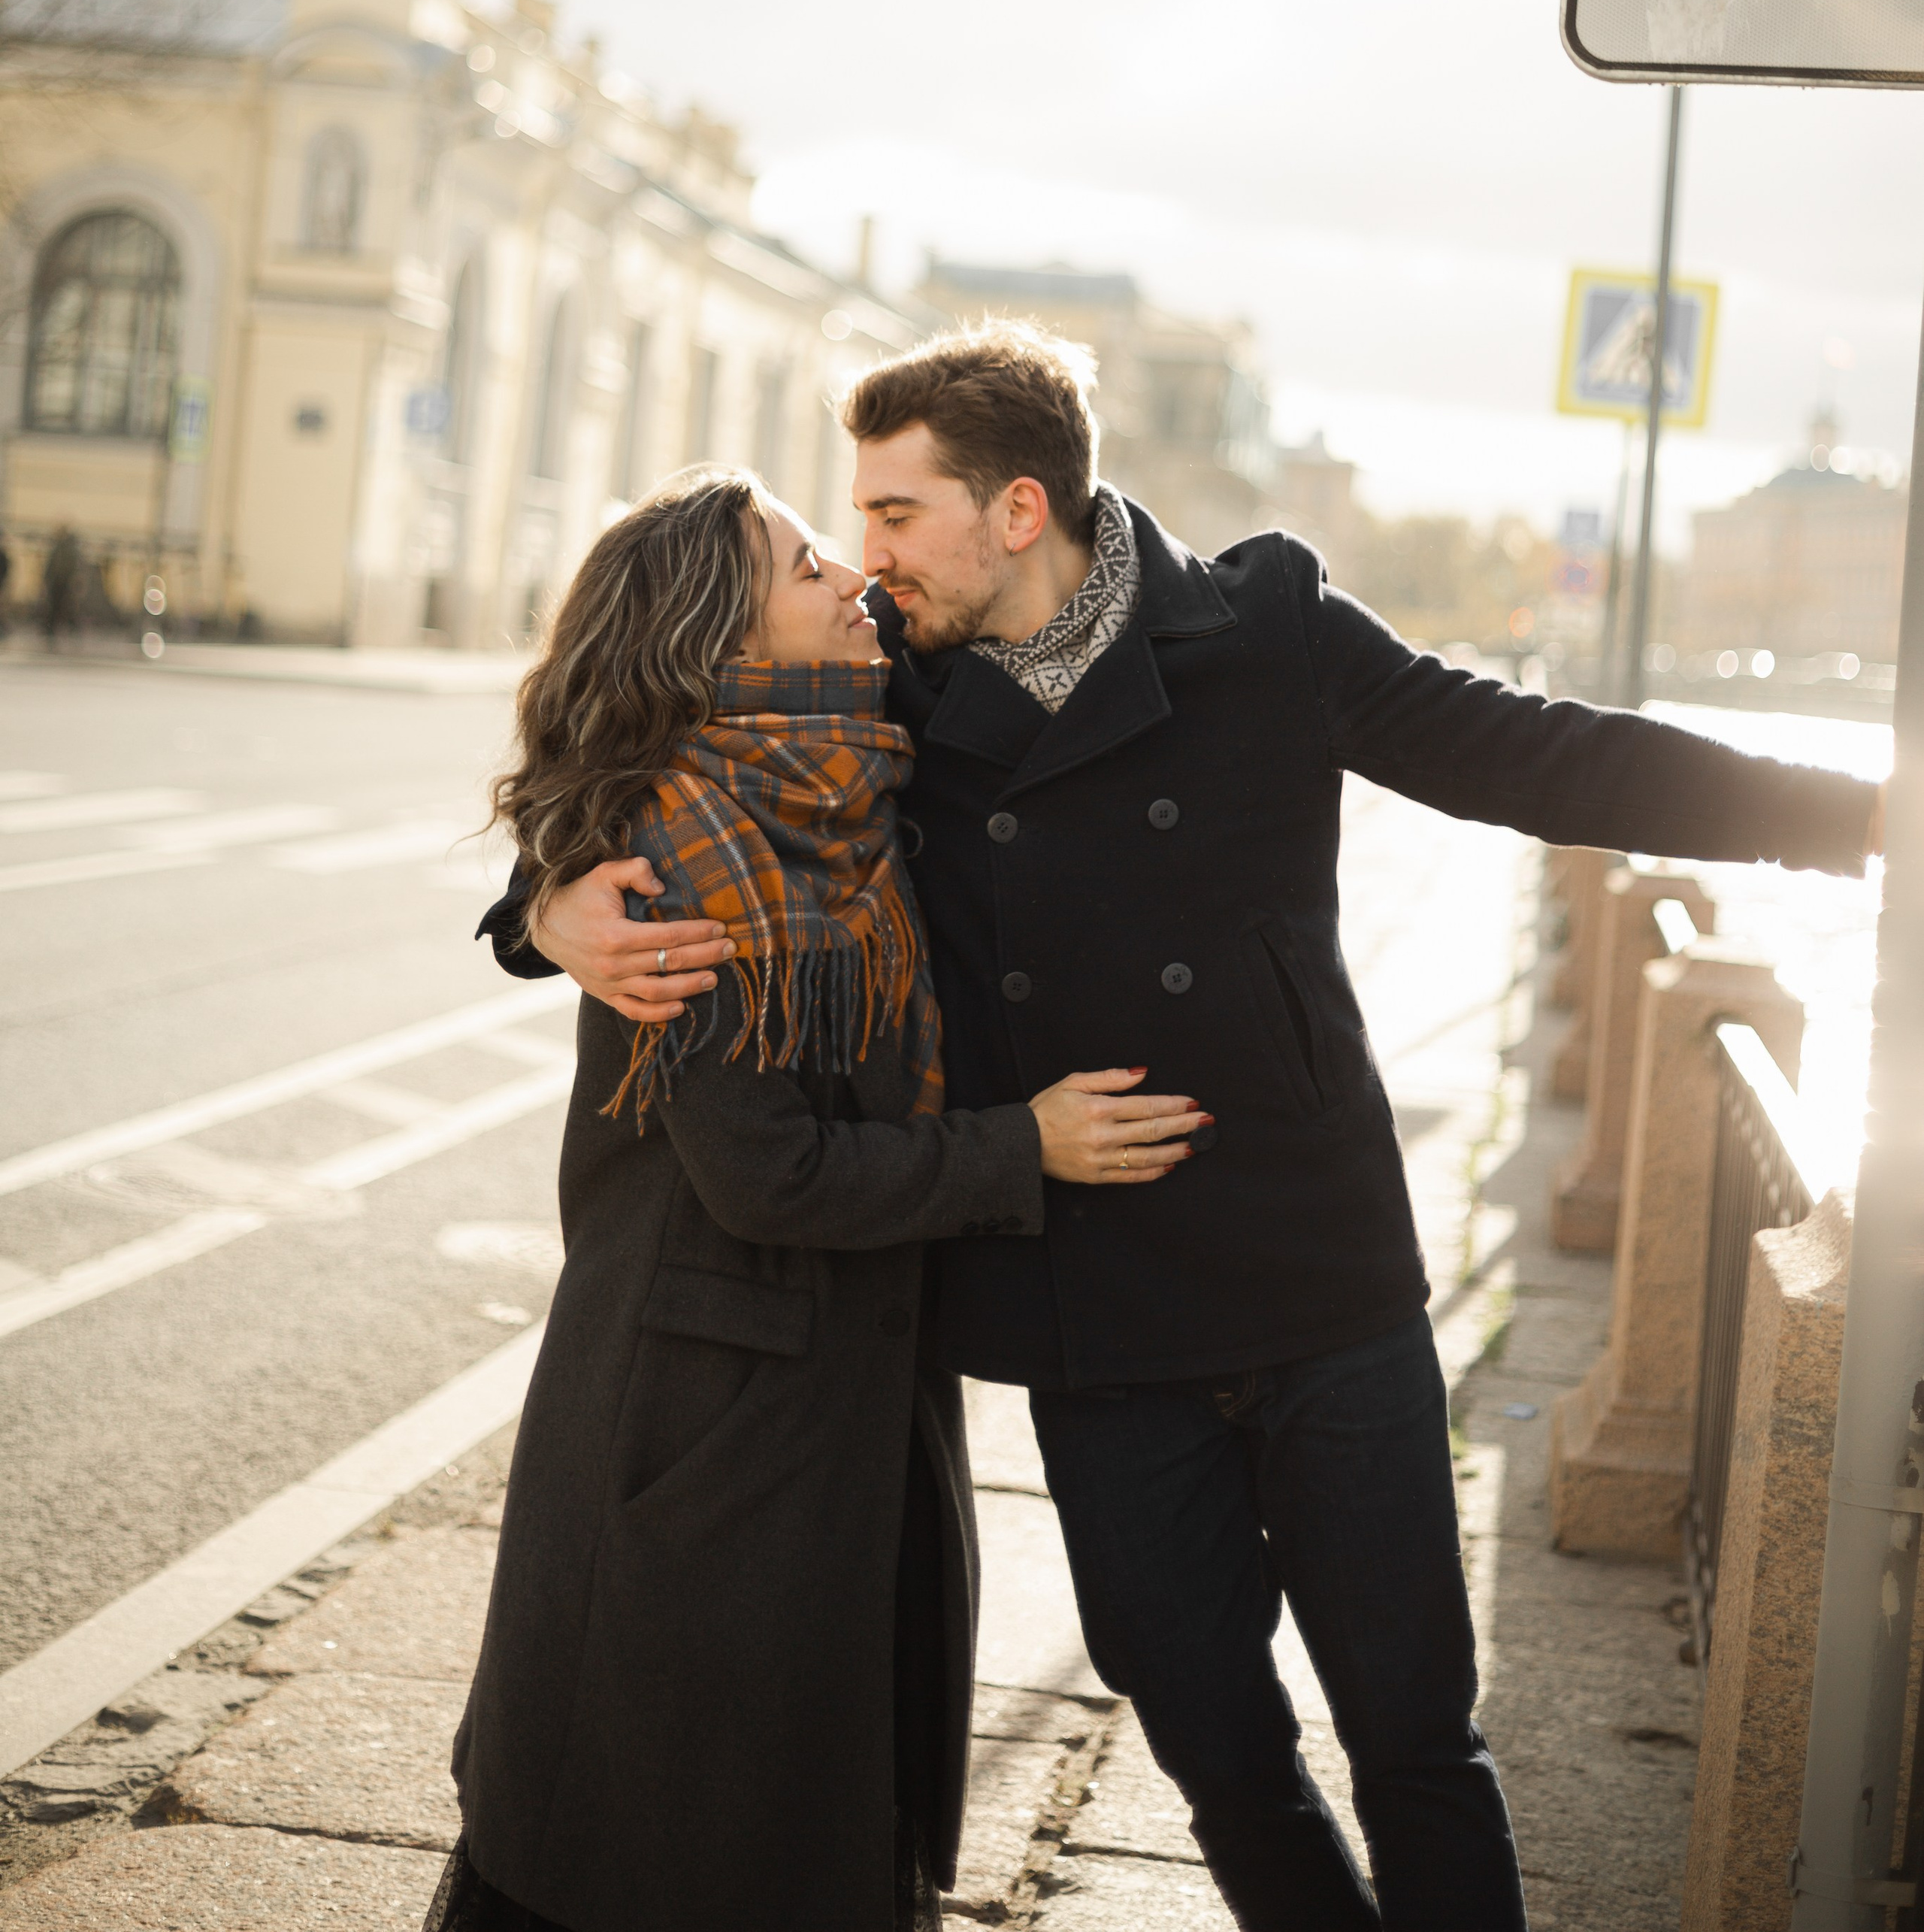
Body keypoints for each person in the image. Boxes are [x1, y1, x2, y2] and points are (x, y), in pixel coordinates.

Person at [501, 324, 1884, 1932]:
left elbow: (1532, 754)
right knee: (1219, 1753)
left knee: (1417, 1745)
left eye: (891, 513)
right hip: (1099, 1319)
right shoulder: (899, 686)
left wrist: (1852, 817)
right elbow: (668, 752)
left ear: (1017, 510)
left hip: (1319, 1282)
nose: (863, 556)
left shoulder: (1266, 628)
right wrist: (545, 910)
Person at [440, 465, 1205, 1932]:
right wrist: (1018, 1149)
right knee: (631, 1850)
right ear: (722, 649)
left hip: (830, 1419)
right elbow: (765, 1171)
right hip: (705, 1442)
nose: (852, 574)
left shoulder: (850, 775)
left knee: (794, 1835)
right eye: (804, 565)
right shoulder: (686, 862)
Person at [38, 525, 80, 650]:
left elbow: (72, 567)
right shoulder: (59, 548)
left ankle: (71, 628)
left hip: (64, 581)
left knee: (66, 606)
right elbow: (51, 566)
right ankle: (51, 628)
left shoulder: (69, 549)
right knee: (55, 606)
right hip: (57, 581)